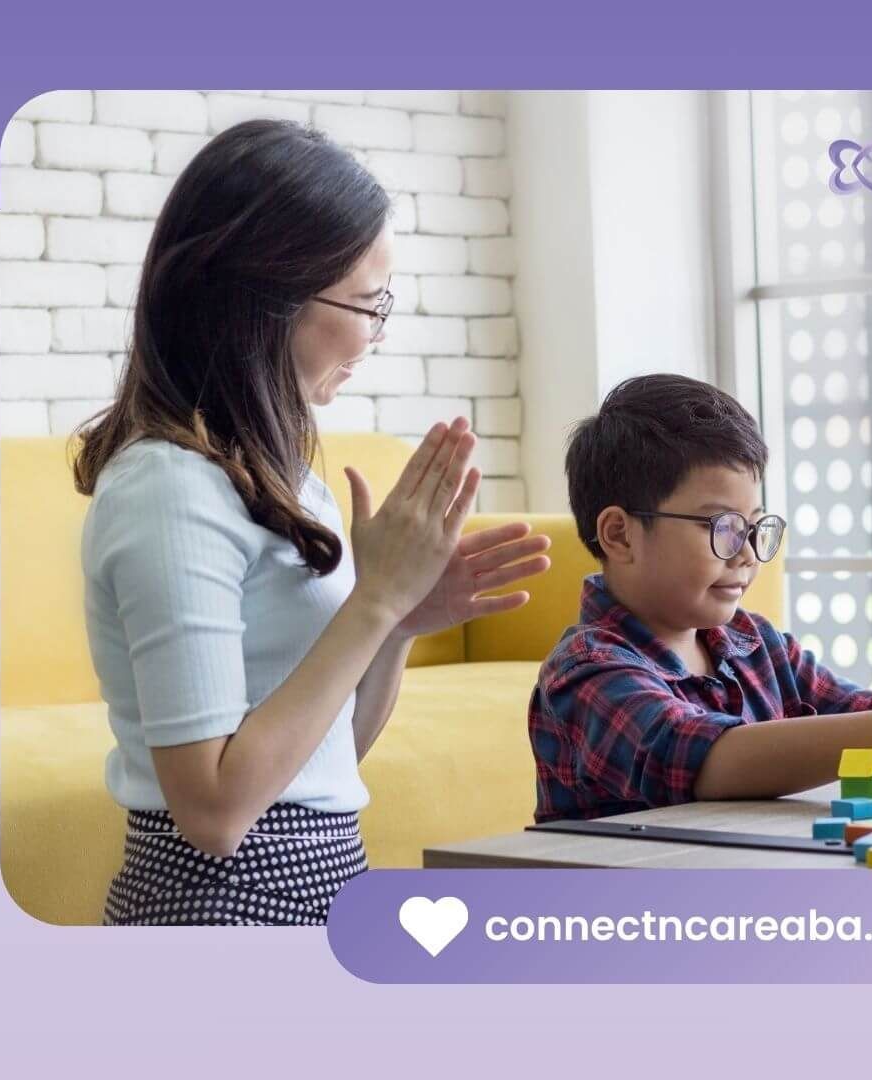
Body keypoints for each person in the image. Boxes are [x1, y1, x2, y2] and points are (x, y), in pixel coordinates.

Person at [71, 119, 550, 924]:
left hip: (325, 888)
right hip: (215, 910)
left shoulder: (282, 480)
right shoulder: (168, 490)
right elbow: (216, 814)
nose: (376, 333)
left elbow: (328, 756)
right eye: (368, 304)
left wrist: (396, 624)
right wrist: (373, 603)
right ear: (267, 297)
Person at [528, 374, 872, 822]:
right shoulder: (587, 674)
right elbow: (705, 758)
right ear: (620, 534)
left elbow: (867, 719)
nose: (747, 551)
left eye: (754, 526)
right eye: (719, 526)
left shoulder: (755, 645)